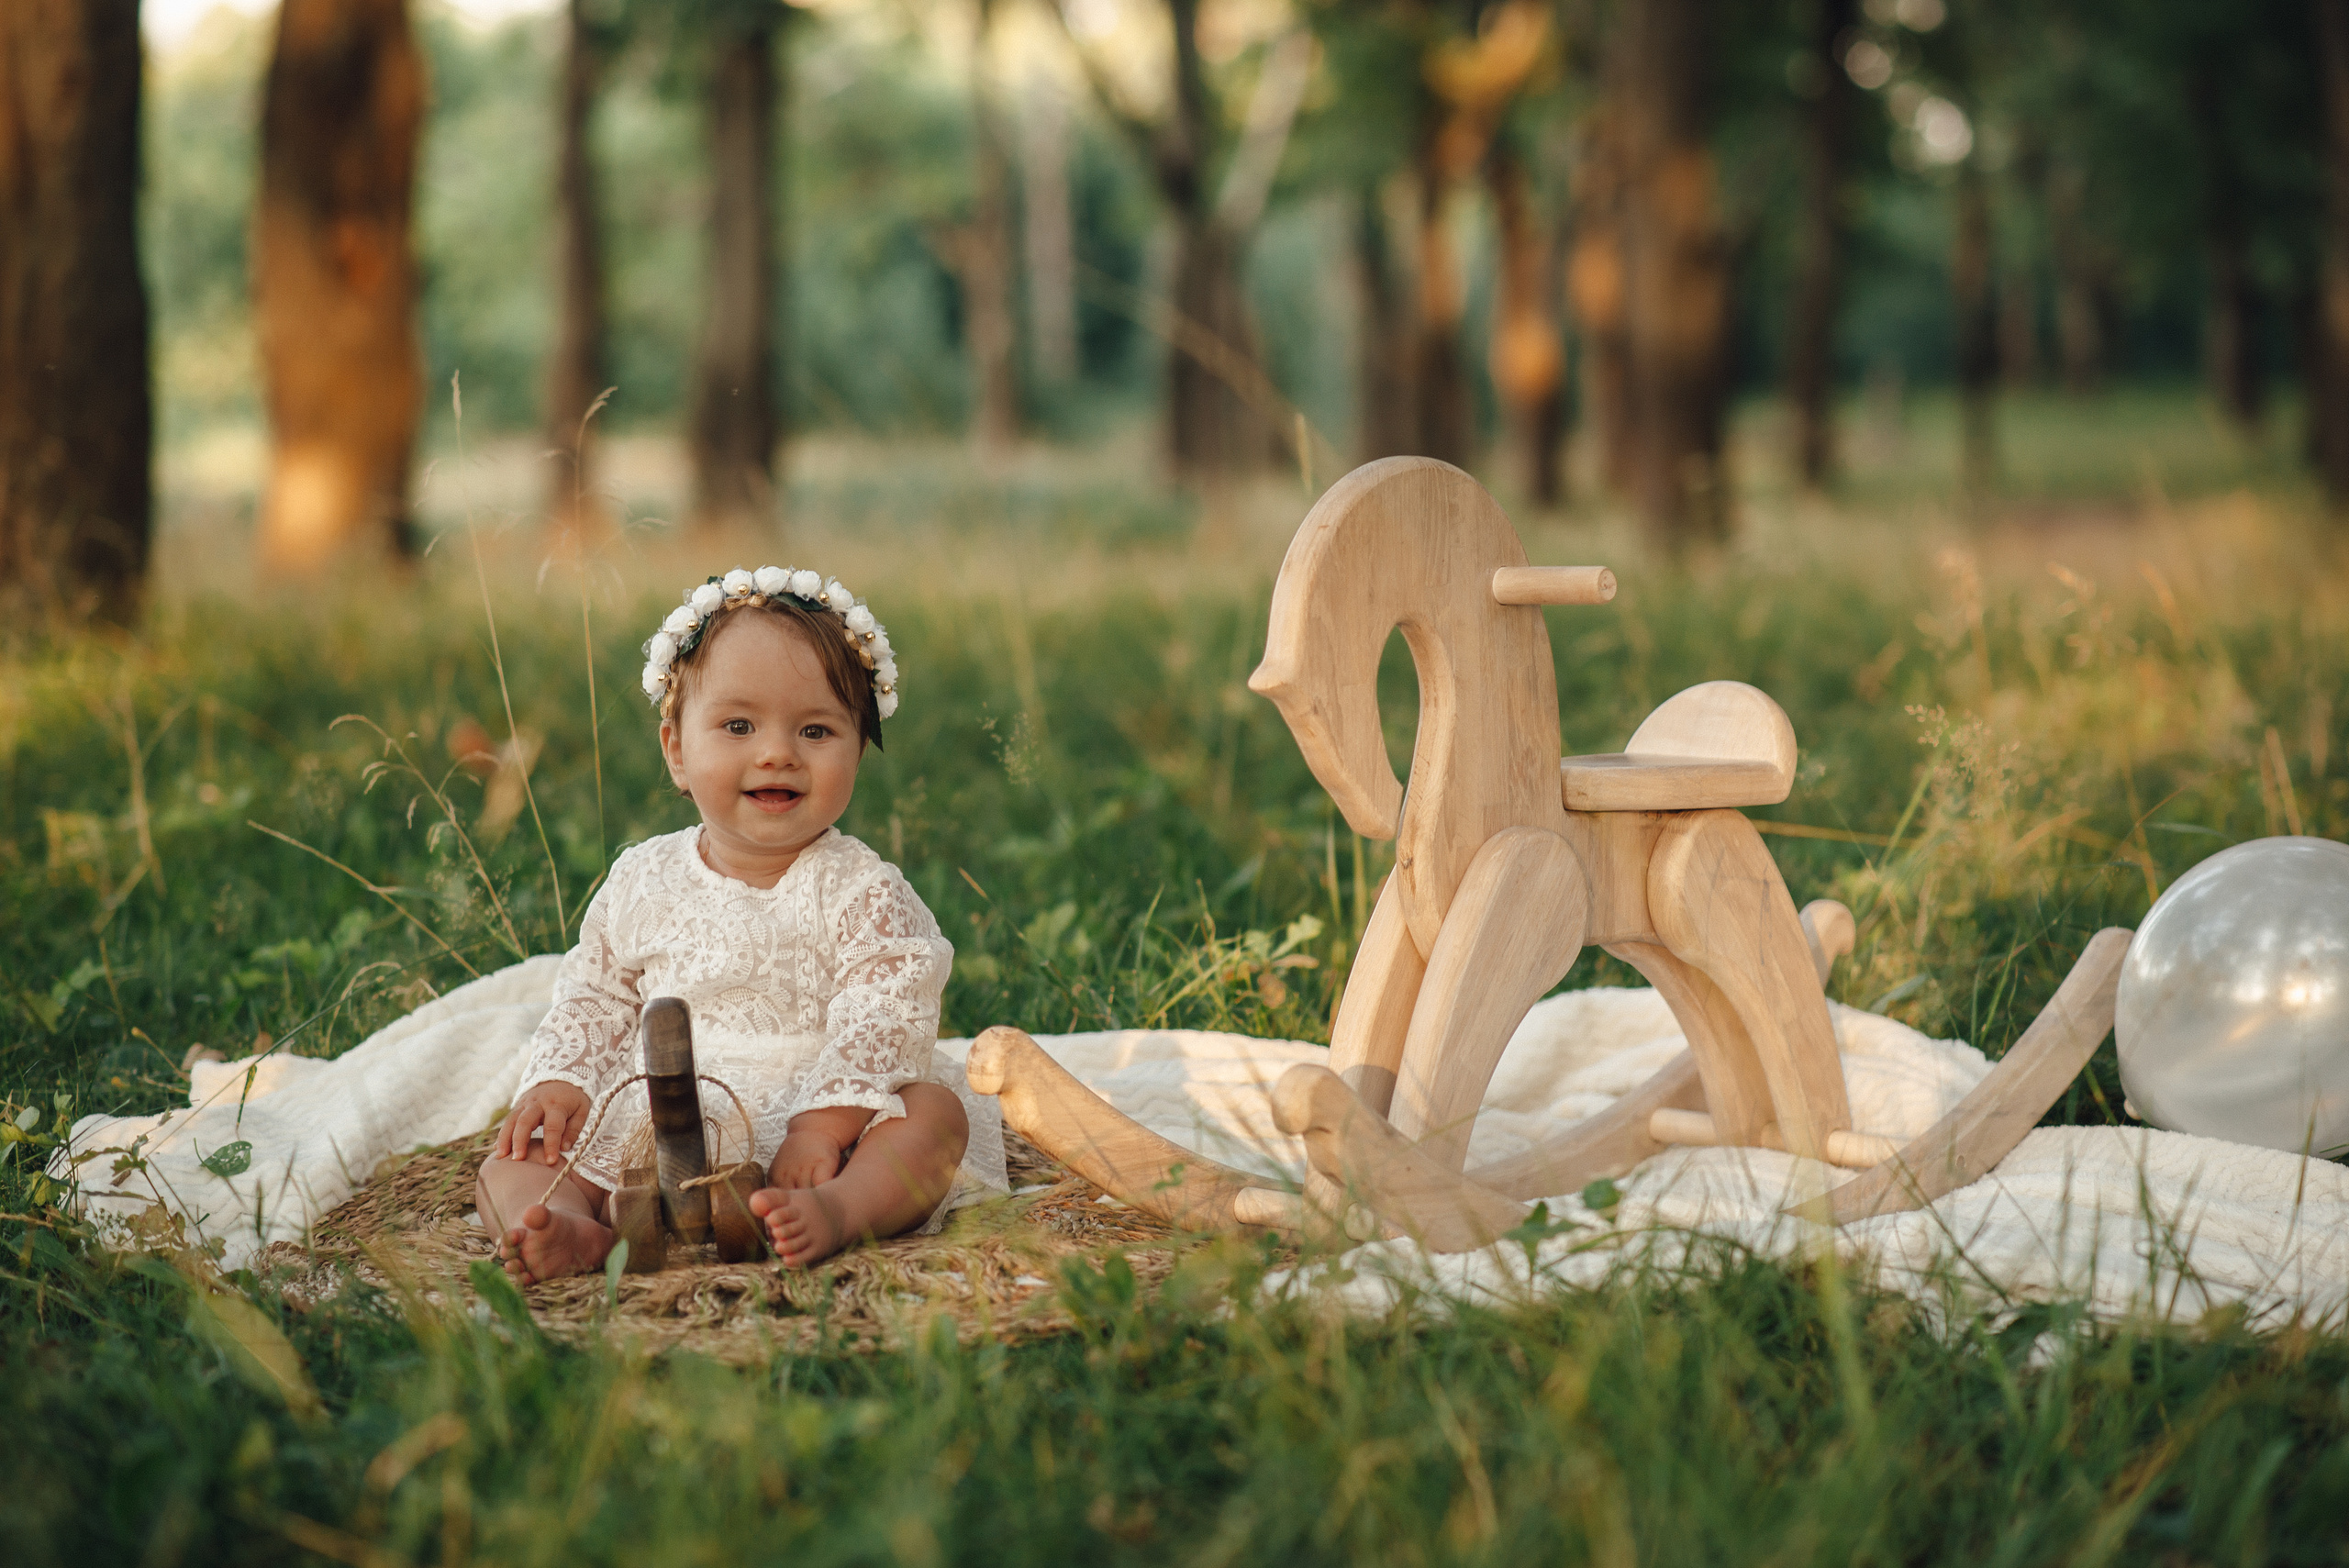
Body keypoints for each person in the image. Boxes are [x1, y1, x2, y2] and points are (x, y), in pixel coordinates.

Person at [474, 566, 1000, 1284]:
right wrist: (562, 1080)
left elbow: (889, 1011)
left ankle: (838, 1213)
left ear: (858, 747)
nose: (777, 751)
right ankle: (573, 1230)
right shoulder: (642, 878)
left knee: (935, 1116)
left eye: (816, 729)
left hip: (808, 1139)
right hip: (653, 1124)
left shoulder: (862, 888)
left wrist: (825, 1125)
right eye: (738, 725)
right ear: (677, 752)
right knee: (513, 1163)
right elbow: (596, 993)